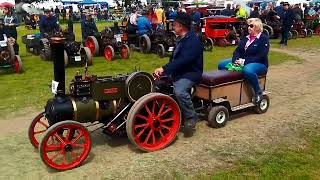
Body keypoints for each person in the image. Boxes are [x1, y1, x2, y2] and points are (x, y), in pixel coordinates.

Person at [154, 12, 203, 131]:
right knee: (156, 83)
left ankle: (191, 116)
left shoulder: (193, 41)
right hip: (179, 71)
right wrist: (164, 72)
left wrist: (164, 69)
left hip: (190, 73)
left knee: (180, 91)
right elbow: (175, 59)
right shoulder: (182, 39)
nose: (172, 27)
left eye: (174, 25)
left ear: (181, 26)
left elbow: (183, 61)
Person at [217, 18, 269, 104]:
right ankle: (228, 88)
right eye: (248, 26)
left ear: (257, 27)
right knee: (222, 64)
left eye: (251, 26)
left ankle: (258, 92)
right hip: (243, 61)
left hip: (259, 63)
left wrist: (243, 62)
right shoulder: (246, 38)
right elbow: (237, 51)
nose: (249, 28)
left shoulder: (263, 39)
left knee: (247, 70)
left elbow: (261, 56)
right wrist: (235, 60)